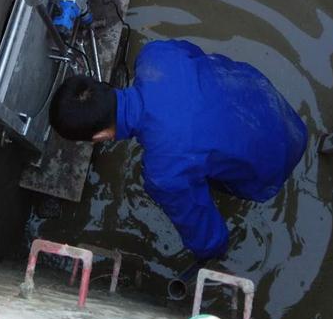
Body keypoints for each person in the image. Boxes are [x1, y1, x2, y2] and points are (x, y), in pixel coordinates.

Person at [50, 39, 308, 261]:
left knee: (202, 176)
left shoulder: (163, 172)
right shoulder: (154, 55)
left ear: (100, 136)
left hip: (274, 165)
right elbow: (197, 56)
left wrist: (213, 255)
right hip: (274, 106)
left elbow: (207, 234)